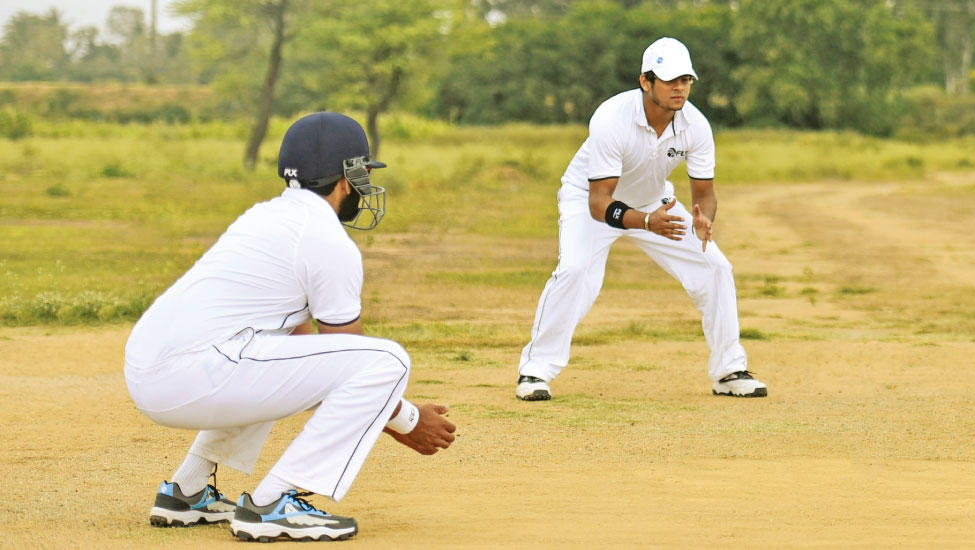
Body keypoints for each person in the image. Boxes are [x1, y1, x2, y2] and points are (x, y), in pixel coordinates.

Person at [125, 112, 458, 541]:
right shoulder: (327, 240)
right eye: (363, 173)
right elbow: (350, 361)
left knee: (267, 347)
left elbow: (306, 359)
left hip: (153, 369)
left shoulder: (264, 217)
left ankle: (187, 493)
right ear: (346, 177)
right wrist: (409, 421)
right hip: (194, 372)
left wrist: (386, 416)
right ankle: (272, 503)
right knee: (388, 360)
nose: (365, 186)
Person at [513, 37, 764, 401]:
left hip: (654, 201)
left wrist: (702, 220)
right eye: (670, 80)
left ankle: (728, 371)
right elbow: (600, 203)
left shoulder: (696, 125)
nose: (680, 88)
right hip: (589, 199)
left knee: (716, 267)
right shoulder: (611, 118)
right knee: (575, 270)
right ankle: (534, 372)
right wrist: (646, 222)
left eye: (686, 80)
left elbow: (704, 196)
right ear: (645, 82)